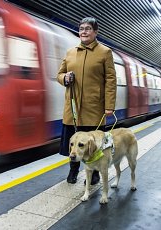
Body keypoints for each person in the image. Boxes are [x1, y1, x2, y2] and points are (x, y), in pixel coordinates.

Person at [56, 17, 117, 184]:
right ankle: (73, 171)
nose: (83, 31)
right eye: (81, 28)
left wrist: (109, 105)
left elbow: (111, 80)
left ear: (95, 32)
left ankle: (95, 173)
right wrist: (65, 78)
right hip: (73, 107)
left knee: (93, 143)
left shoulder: (105, 52)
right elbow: (59, 75)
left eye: (88, 28)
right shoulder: (70, 52)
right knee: (75, 142)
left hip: (94, 107)